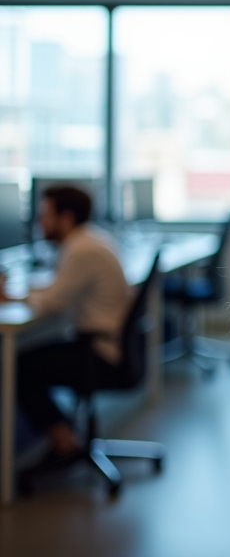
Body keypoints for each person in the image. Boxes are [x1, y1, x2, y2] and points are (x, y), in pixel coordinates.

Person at [0, 185, 132, 467]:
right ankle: (64, 434)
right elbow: (58, 291)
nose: (38, 223)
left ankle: (63, 440)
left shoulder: (80, 250)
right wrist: (18, 294)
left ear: (66, 218)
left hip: (98, 351)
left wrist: (13, 296)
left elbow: (52, 302)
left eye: (44, 215)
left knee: (18, 366)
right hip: (107, 343)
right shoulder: (91, 241)